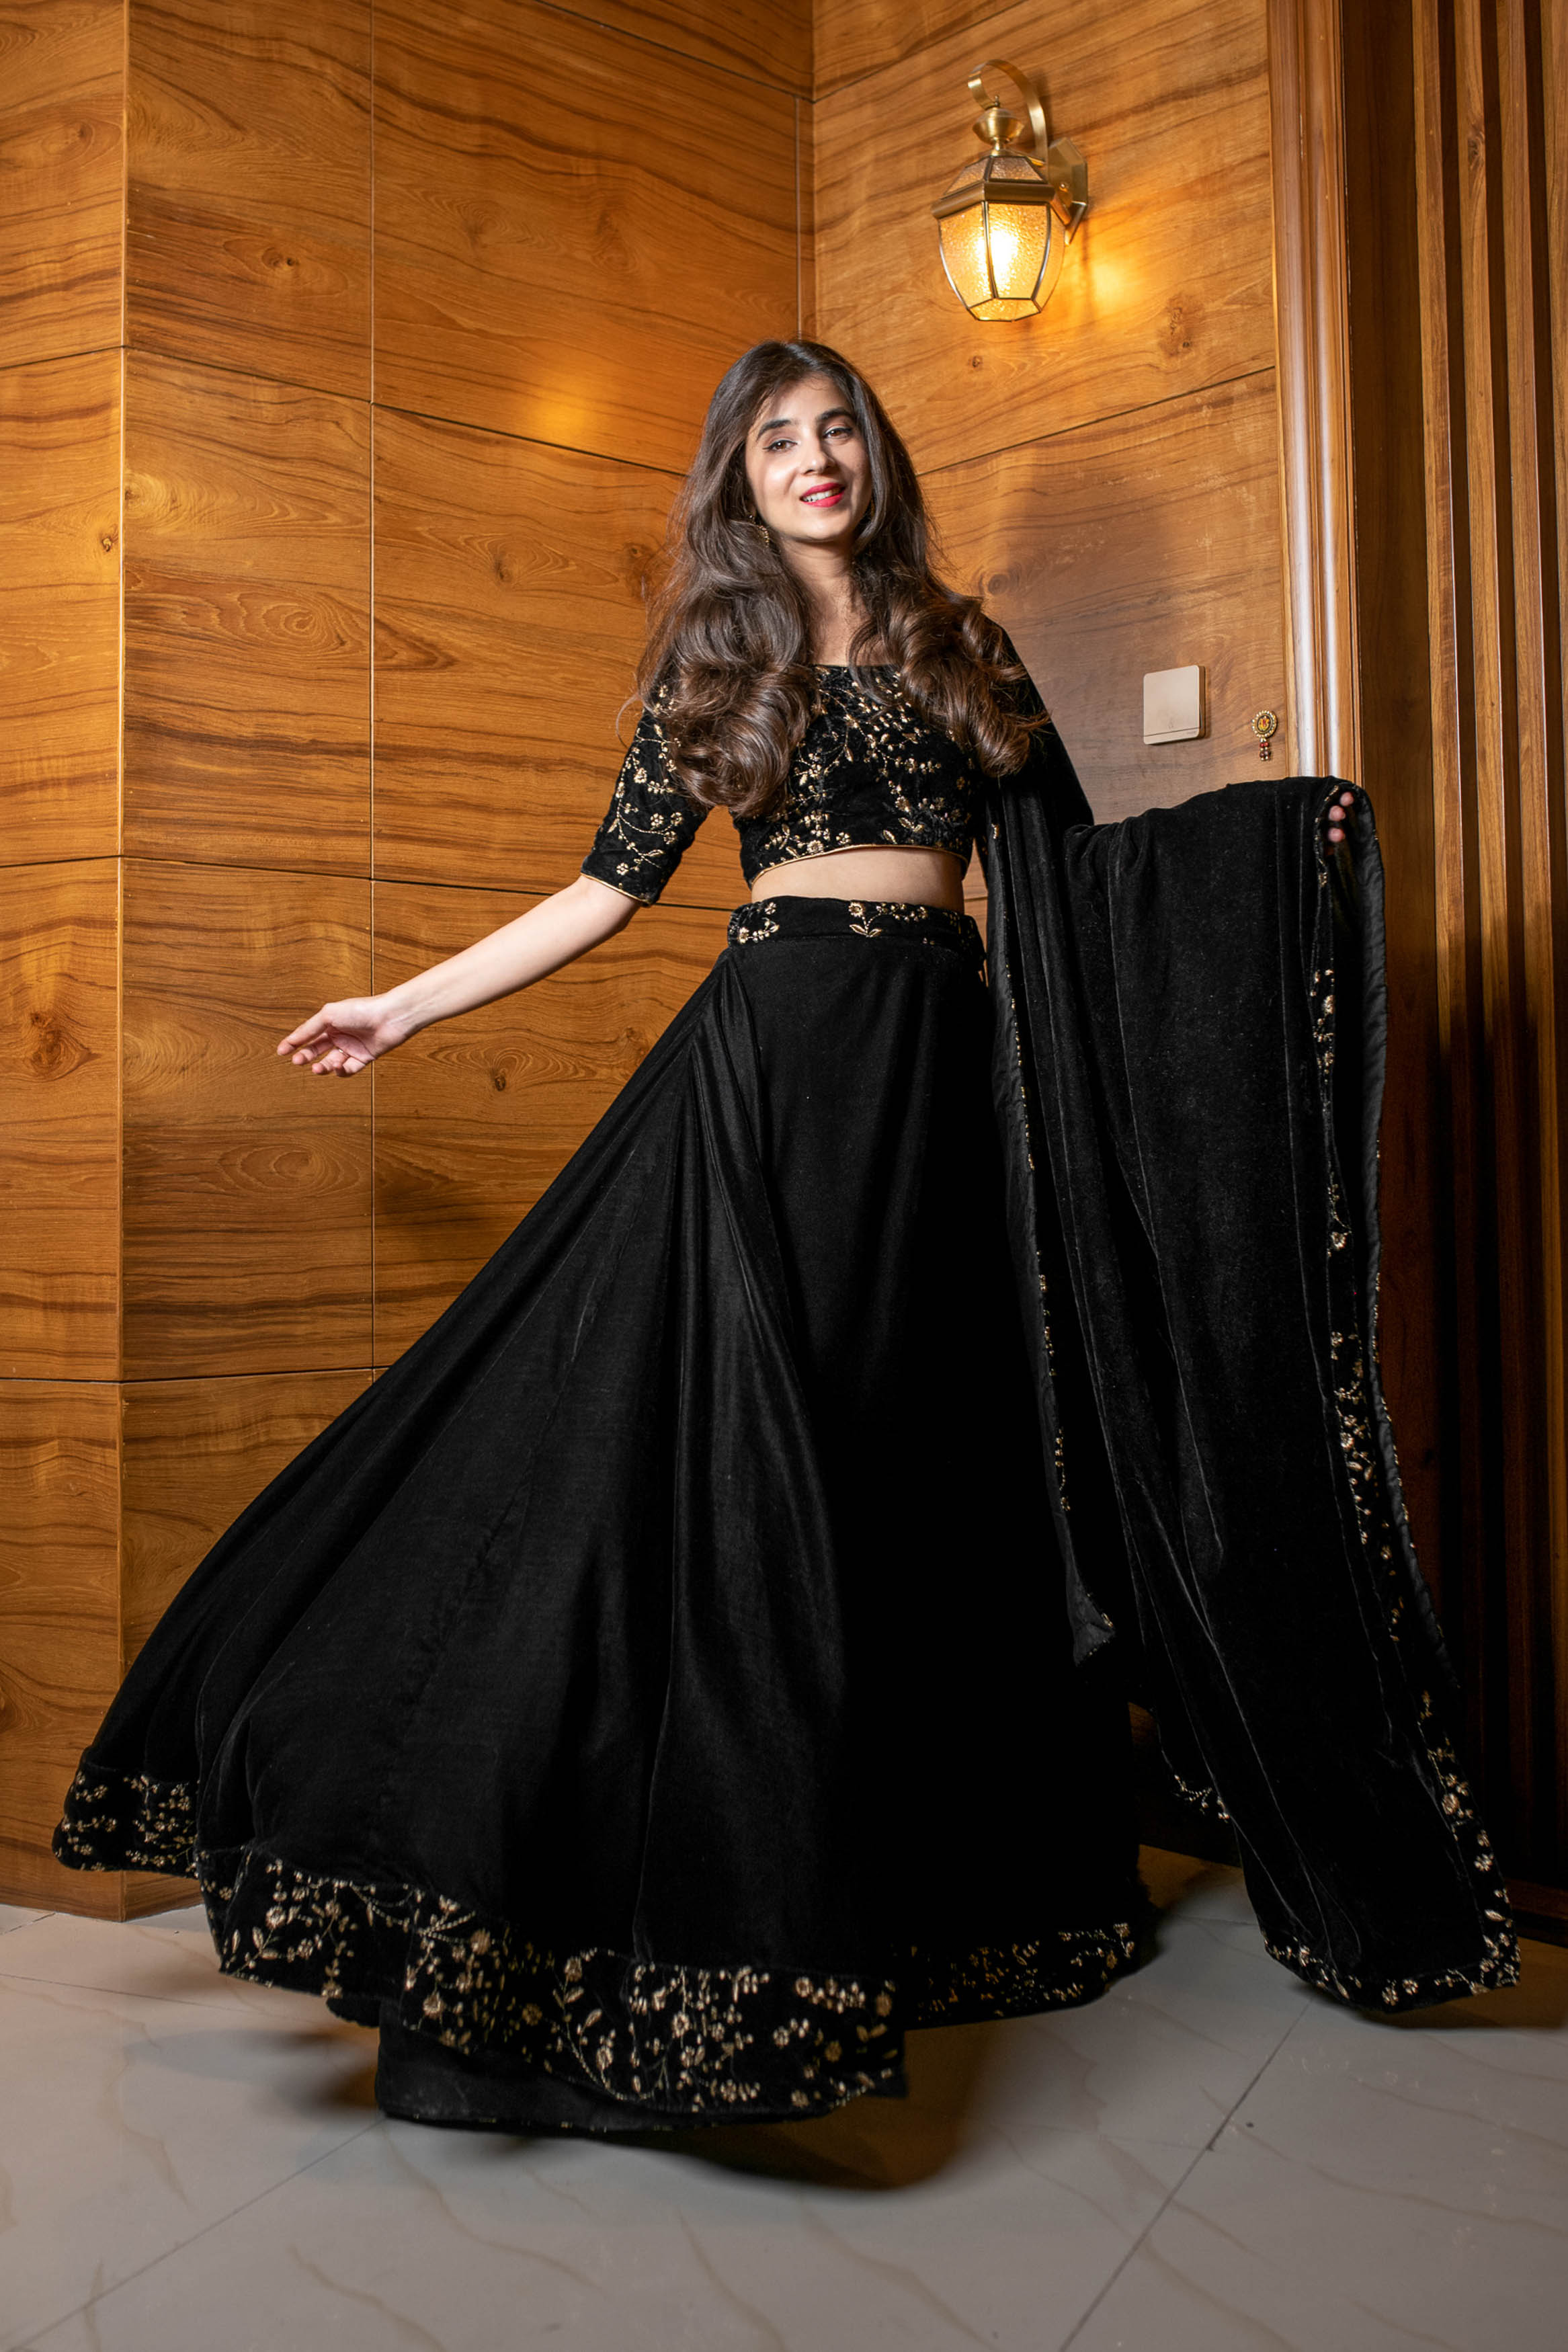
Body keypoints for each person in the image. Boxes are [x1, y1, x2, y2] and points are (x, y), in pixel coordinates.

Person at [54, 341, 1516, 2137]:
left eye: (837, 432)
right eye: (776, 442)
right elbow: (608, 886)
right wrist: (407, 1005)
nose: (815, 461)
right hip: (774, 1069)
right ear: (738, 481)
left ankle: (930, 1899)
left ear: (875, 457)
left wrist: (1279, 844)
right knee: (739, 1463)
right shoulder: (720, 660)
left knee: (934, 1470)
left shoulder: (964, 646)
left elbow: (1078, 886)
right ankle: (673, 1889)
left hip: (944, 1084)